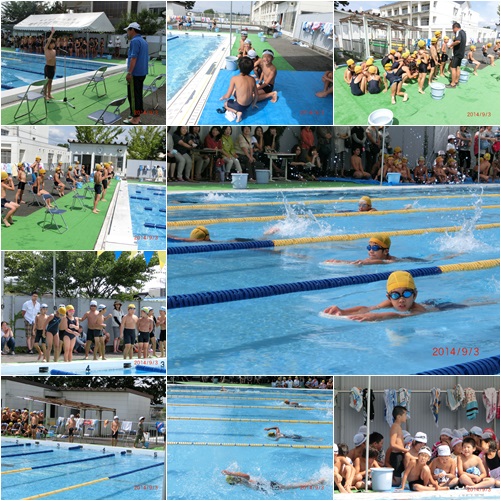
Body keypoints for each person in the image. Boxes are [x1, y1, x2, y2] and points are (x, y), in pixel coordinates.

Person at [323, 271, 428, 321]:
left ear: (415, 295)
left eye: (406, 294)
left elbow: (401, 316)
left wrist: (378, 316)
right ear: (389, 297)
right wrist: (343, 311)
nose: (401, 300)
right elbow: (367, 309)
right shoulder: (390, 303)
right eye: (395, 295)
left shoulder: (419, 310)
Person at [123, 23, 148, 125]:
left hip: (135, 73)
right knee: (138, 95)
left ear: (132, 30)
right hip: (142, 72)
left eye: (128, 31)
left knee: (133, 96)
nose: (127, 33)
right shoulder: (143, 41)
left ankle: (135, 119)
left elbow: (134, 58)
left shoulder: (135, 41)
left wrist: (129, 73)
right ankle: (136, 115)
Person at [220, 57, 258, 122]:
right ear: (251, 68)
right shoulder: (252, 79)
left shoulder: (234, 78)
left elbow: (228, 96)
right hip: (249, 104)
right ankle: (238, 104)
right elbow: (256, 94)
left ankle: (237, 112)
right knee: (235, 90)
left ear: (239, 67)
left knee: (225, 104)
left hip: (240, 106)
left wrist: (222, 97)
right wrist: (254, 104)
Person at [221, 470, 325, 491]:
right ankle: (316, 482)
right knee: (292, 486)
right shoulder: (243, 481)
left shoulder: (242, 483)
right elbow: (246, 476)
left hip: (268, 486)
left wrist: (232, 474)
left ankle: (313, 482)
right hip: (269, 486)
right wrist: (231, 473)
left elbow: (245, 476)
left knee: (293, 485)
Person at [325, 235, 396, 265]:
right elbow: (357, 262)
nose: (371, 251)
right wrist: (341, 262)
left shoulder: (393, 260)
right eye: (369, 247)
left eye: (375, 248)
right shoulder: (370, 259)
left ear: (386, 251)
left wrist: (367, 262)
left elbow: (385, 262)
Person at [447, 22, 466, 88]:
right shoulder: (463, 32)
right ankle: (456, 81)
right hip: (461, 53)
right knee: (458, 67)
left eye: (453, 29)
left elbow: (458, 41)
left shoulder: (458, 32)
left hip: (457, 53)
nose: (453, 31)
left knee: (453, 68)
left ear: (455, 27)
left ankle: (452, 84)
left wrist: (451, 45)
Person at [43, 28, 56, 100]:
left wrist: (55, 67)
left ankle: (49, 94)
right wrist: (52, 33)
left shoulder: (54, 51)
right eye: (52, 43)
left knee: (50, 82)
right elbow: (48, 42)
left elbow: (54, 60)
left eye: (54, 43)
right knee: (46, 82)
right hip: (47, 67)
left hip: (52, 67)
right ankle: (45, 95)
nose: (53, 45)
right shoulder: (46, 49)